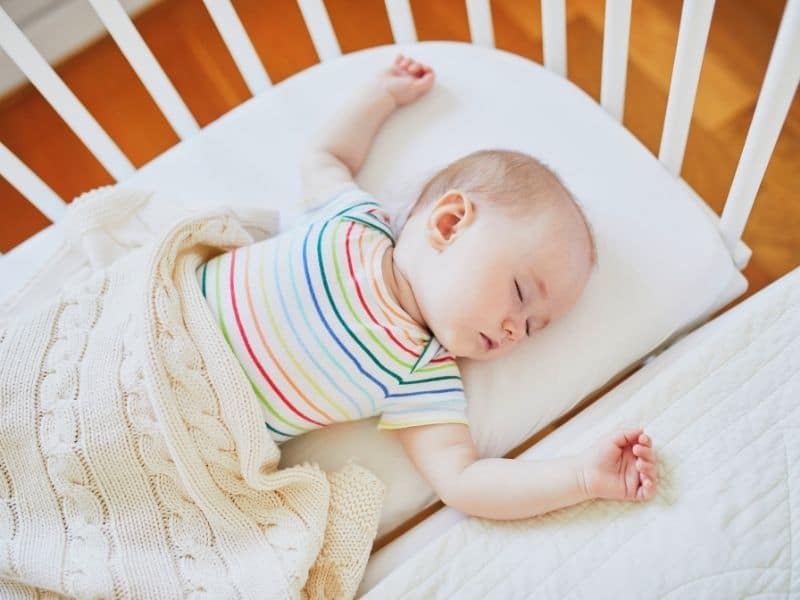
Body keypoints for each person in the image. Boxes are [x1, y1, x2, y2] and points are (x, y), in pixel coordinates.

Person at [197, 53, 658, 520]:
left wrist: (579, 478)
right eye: (520, 293)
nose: (517, 330)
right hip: (163, 321)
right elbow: (327, 156)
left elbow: (462, 481)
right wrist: (382, 96)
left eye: (534, 326)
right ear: (450, 222)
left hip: (194, 429)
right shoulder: (352, 222)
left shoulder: (421, 373)